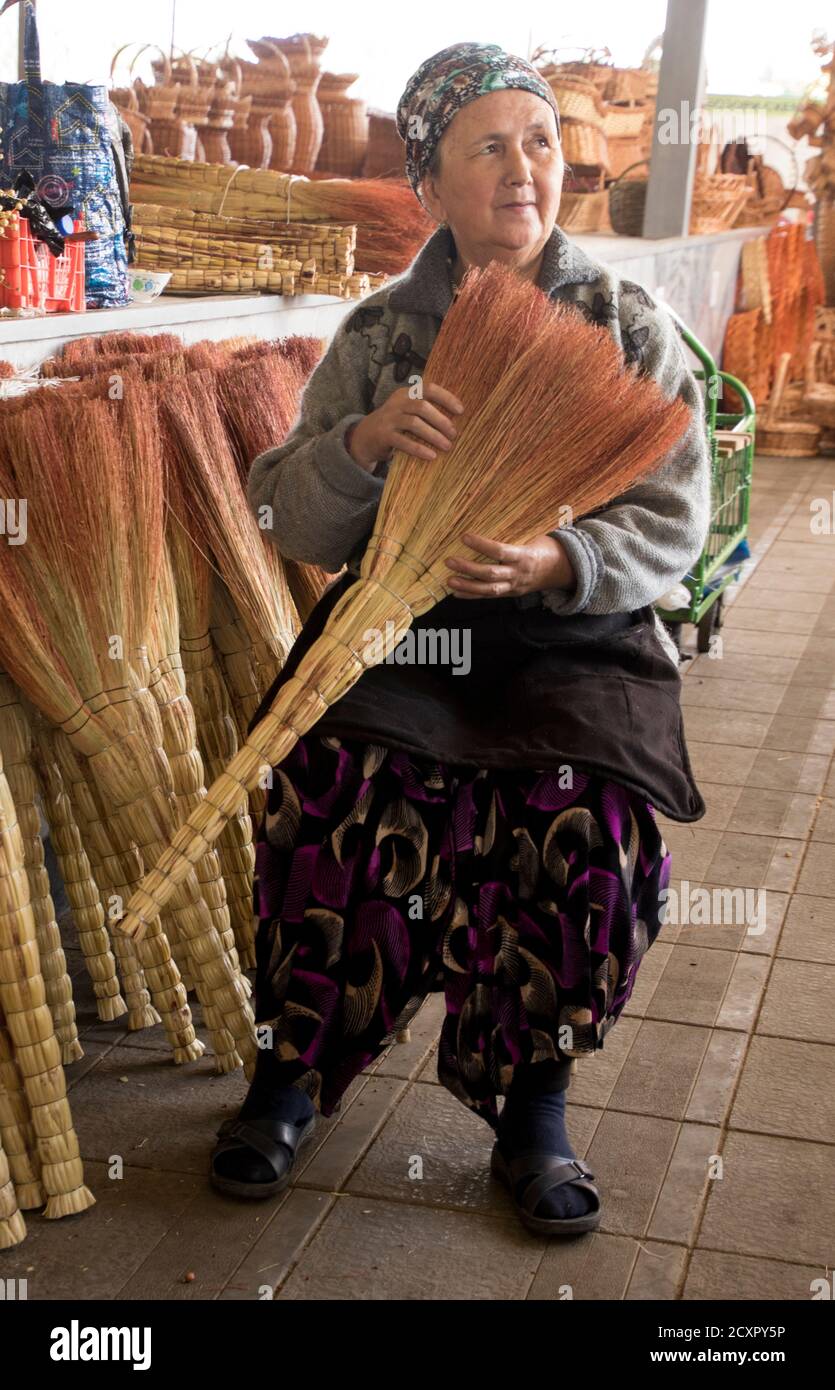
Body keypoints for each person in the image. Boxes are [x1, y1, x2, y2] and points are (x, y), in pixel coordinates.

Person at [210, 41, 711, 1238]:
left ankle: (532, 1100)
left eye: (538, 141)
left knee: (583, 815)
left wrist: (560, 560)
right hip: (408, 628)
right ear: (428, 183)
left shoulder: (625, 326)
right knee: (335, 789)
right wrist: (365, 444)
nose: (522, 167)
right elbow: (282, 509)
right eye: (487, 146)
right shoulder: (382, 335)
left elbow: (673, 517)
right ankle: (290, 1074)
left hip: (569, 643)